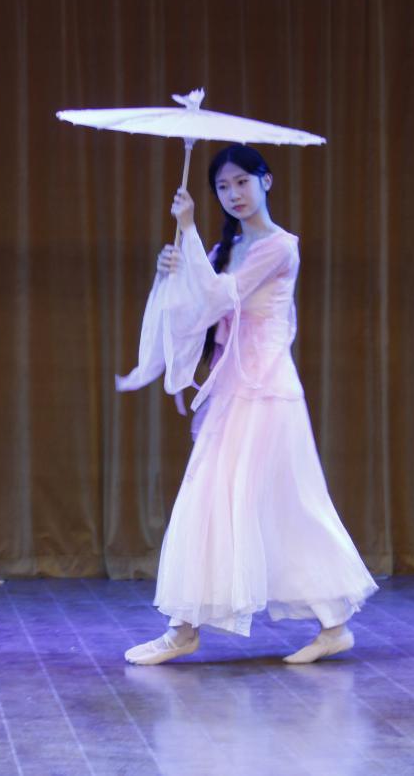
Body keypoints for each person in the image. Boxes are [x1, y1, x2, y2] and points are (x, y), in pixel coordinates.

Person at [115, 143, 378, 665]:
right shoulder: (224, 248)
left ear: (265, 181)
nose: (233, 193)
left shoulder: (280, 247)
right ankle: (186, 628)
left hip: (268, 391)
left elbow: (221, 296)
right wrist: (173, 271)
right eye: (222, 186)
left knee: (281, 502)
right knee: (215, 498)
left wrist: (188, 232)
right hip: (235, 392)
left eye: (242, 181)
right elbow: (197, 311)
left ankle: (328, 625)